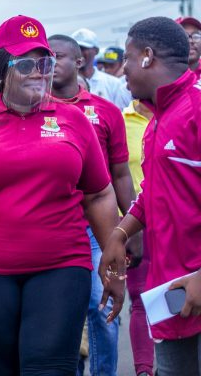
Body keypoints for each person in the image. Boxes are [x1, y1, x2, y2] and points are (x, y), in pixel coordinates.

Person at [0, 15, 123, 376]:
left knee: (46, 366)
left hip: (62, 265)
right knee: (3, 367)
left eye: (44, 63)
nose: (38, 72)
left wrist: (112, 260)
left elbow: (99, 194)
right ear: (1, 71)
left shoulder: (73, 120)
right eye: (26, 64)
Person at [100, 16, 201, 375]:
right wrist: (120, 233)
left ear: (146, 56)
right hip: (172, 295)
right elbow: (153, 192)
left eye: (126, 58)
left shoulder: (197, 108)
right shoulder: (159, 117)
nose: (122, 69)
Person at [48, 35, 134, 376]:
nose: (51, 65)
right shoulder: (33, 110)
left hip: (101, 230)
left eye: (59, 58)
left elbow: (121, 174)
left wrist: (131, 231)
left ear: (80, 62)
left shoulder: (105, 112)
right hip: (55, 229)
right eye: (47, 59)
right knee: (62, 314)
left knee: (102, 310)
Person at [122, 98, 154, 376]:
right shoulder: (122, 120)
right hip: (135, 225)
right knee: (140, 297)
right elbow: (116, 174)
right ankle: (144, 370)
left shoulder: (186, 112)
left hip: (176, 224)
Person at [71, 28, 131, 109]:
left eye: (83, 48)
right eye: (76, 48)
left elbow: (118, 116)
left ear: (96, 51)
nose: (79, 52)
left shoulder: (113, 84)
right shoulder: (64, 83)